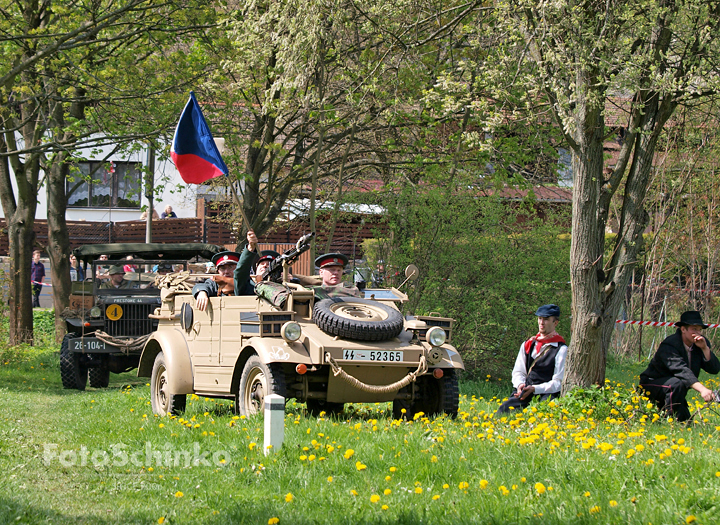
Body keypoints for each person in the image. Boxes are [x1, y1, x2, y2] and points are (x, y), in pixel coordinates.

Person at [639, 311, 720, 422]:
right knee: (677, 384)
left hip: (675, 391)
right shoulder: (670, 345)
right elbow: (681, 370)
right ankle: (669, 423)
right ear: (683, 329)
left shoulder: (700, 344)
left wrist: (705, 349)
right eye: (694, 329)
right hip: (652, 385)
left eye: (700, 330)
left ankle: (671, 419)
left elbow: (714, 369)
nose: (698, 333)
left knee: (686, 422)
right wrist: (703, 390)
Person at [495, 304, 568, 416]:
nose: (541, 323)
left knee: (544, 414)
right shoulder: (527, 344)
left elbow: (558, 382)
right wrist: (520, 385)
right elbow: (518, 372)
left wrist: (535, 389)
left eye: (546, 319)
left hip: (546, 394)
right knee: (503, 411)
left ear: (555, 323)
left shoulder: (561, 349)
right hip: (525, 392)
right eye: (540, 318)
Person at [233, 230, 277, 295]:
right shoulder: (248, 286)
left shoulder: (282, 285)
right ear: (256, 268)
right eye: (262, 264)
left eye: (269, 264)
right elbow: (240, 273)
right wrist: (251, 248)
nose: (265, 266)